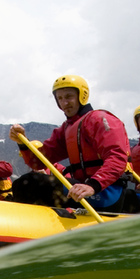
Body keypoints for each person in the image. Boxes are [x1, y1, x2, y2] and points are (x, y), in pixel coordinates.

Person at [9, 74, 131, 212]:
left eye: (68, 97)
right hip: (81, 188)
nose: (64, 103)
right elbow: (37, 162)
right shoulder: (67, 129)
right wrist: (22, 142)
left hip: (106, 192)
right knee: (22, 183)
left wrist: (92, 185)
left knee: (31, 184)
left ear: (82, 96)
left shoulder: (100, 119)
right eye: (60, 98)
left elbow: (117, 157)